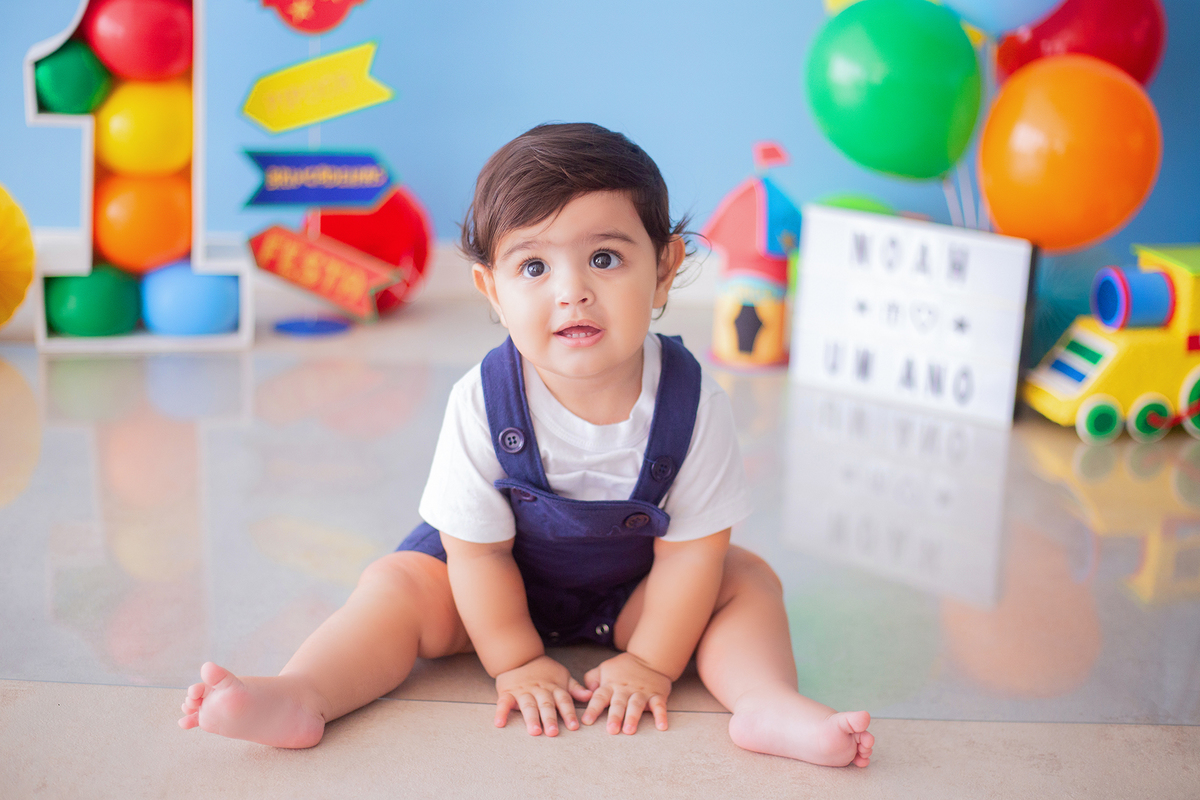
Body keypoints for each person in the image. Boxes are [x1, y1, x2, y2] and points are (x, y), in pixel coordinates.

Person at [179, 123, 873, 768]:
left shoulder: (694, 404)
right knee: (394, 585)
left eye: (604, 258)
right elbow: (474, 553)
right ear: (491, 289)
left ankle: (765, 703)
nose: (573, 292)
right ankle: (305, 692)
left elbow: (691, 555)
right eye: (534, 268)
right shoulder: (483, 401)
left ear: (665, 268)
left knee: (745, 582)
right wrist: (513, 658)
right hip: (482, 584)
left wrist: (654, 661)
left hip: (636, 592)